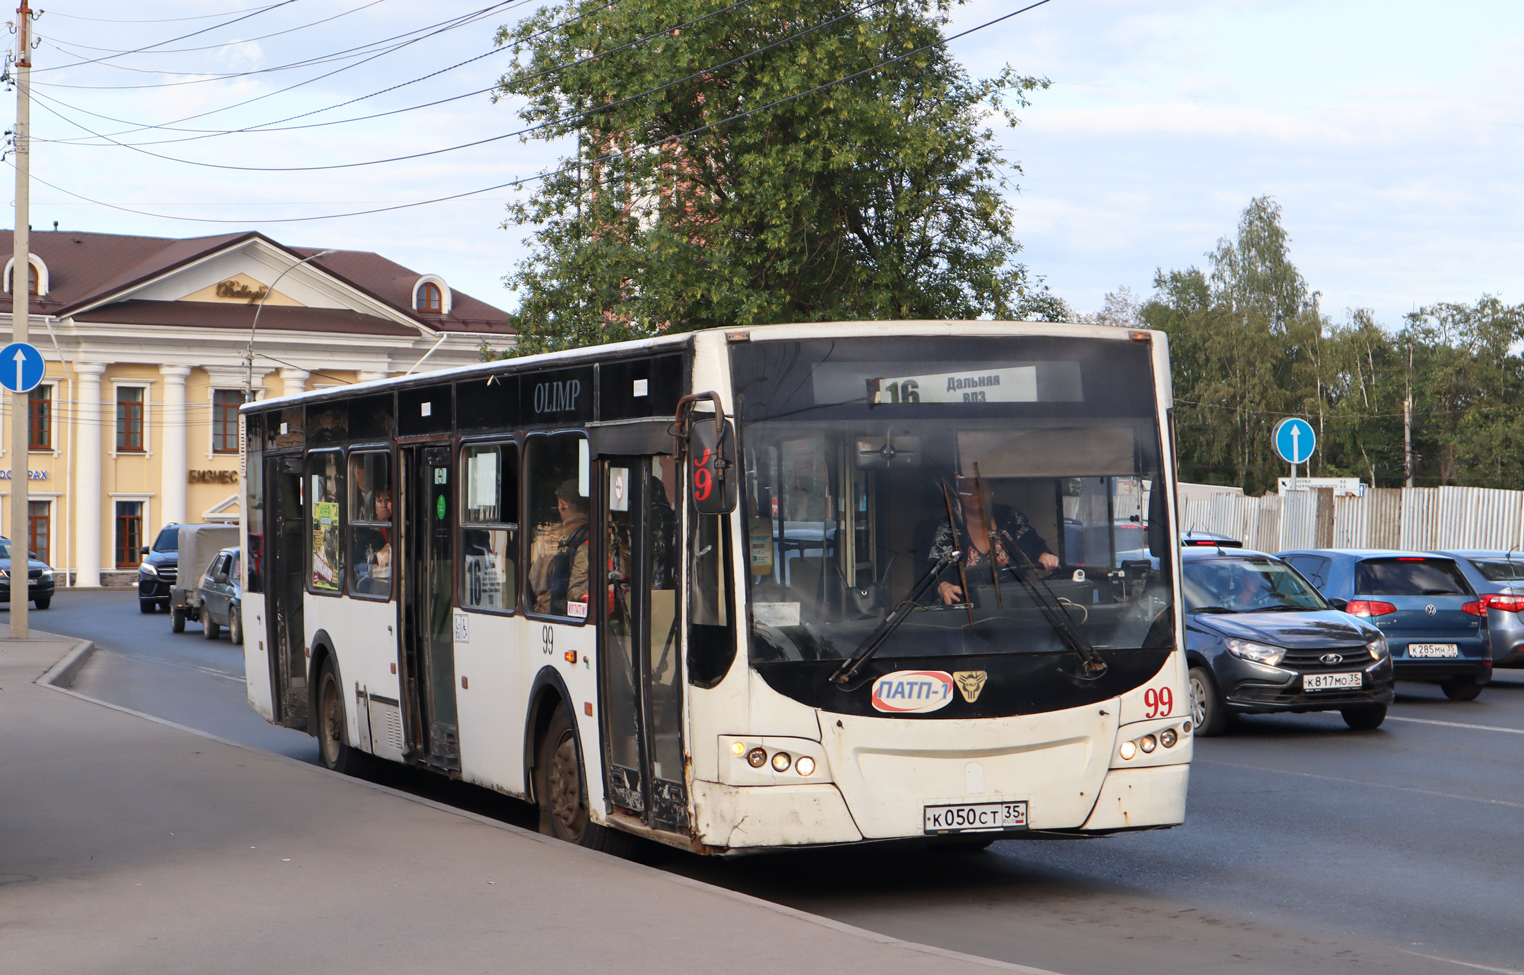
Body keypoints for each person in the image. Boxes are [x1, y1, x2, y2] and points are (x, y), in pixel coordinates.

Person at [932, 483, 1059, 605]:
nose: (973, 493)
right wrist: (944, 585)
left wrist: (1043, 555)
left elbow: (1034, 544)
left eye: (978, 486)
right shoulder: (949, 527)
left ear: (992, 489)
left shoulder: (1011, 517)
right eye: (965, 488)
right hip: (968, 614)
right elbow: (936, 569)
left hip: (1017, 606)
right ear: (958, 494)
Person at [532, 479, 590, 614]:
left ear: (562, 504)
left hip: (554, 610)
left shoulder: (549, 536)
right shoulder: (604, 533)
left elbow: (537, 583)